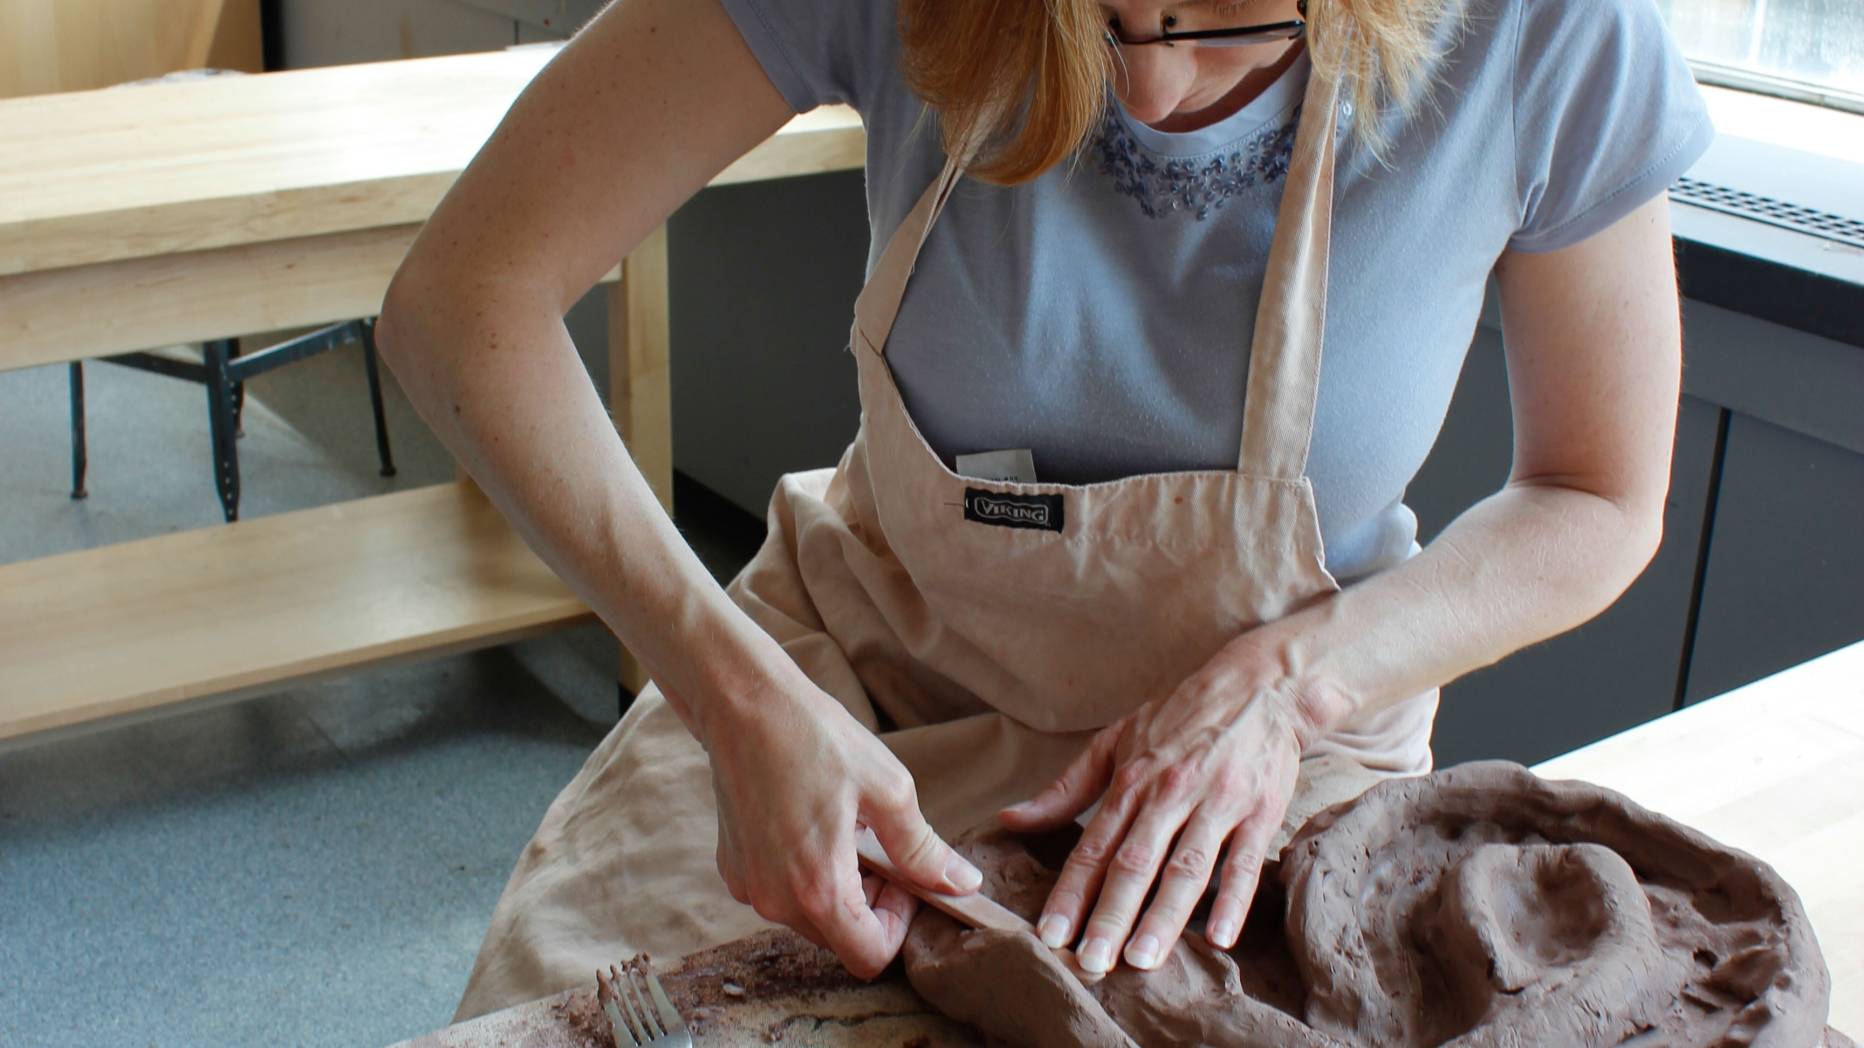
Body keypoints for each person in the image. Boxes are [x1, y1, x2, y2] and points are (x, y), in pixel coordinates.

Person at [375, 0, 1712, 1020]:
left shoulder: (1550, 31)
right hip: (850, 692)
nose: (1145, 78)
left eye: (1225, 15)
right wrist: (740, 705)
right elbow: (460, 306)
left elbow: (1595, 493)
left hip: (1262, 774)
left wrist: (1295, 683)